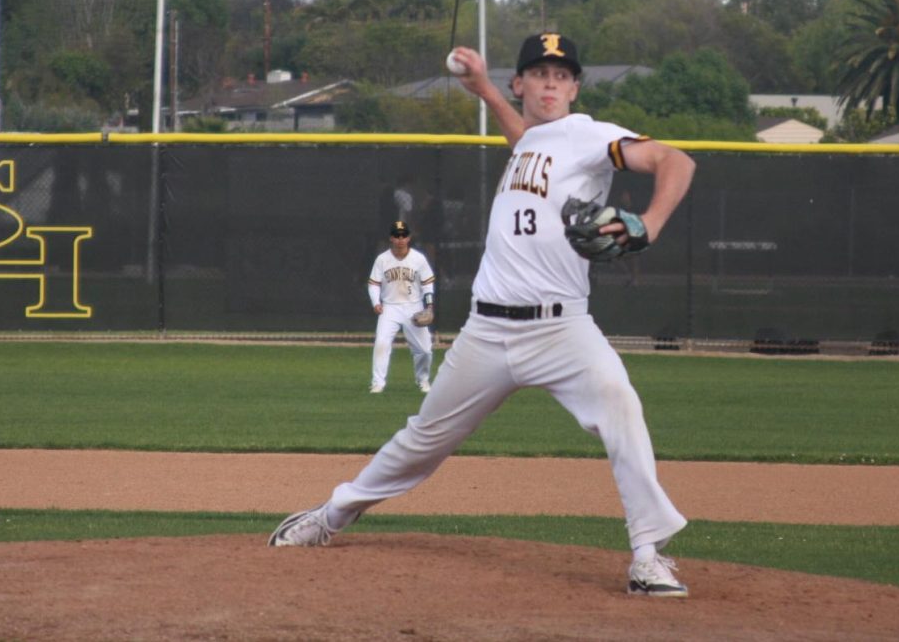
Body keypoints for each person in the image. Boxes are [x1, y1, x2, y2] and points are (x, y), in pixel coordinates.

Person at [270, 32, 697, 599]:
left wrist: (654, 221)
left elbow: (676, 161)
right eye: (539, 73)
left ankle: (648, 555)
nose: (551, 82)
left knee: (620, 407)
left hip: (561, 327)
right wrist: (482, 91)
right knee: (424, 437)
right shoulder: (531, 142)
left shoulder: (591, 135)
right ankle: (333, 514)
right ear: (519, 83)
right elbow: (525, 138)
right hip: (488, 331)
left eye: (563, 74)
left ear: (575, 87)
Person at [366, 220, 436, 393]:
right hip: (390, 307)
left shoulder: (418, 259)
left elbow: (427, 284)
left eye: (403, 235)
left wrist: (429, 306)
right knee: (382, 343)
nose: (400, 239)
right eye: (396, 236)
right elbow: (373, 284)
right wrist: (376, 302)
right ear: (391, 238)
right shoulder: (382, 259)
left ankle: (423, 380)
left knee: (425, 350)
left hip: (414, 306)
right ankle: (378, 382)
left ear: (409, 237)